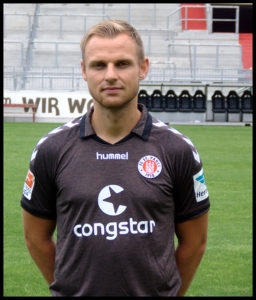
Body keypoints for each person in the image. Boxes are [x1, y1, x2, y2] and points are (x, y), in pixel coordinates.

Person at [21, 19, 210, 297]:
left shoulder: (177, 150)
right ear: (84, 71)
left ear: (143, 68)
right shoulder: (51, 149)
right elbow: (35, 238)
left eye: (122, 64)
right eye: (99, 65)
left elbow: (195, 242)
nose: (110, 75)